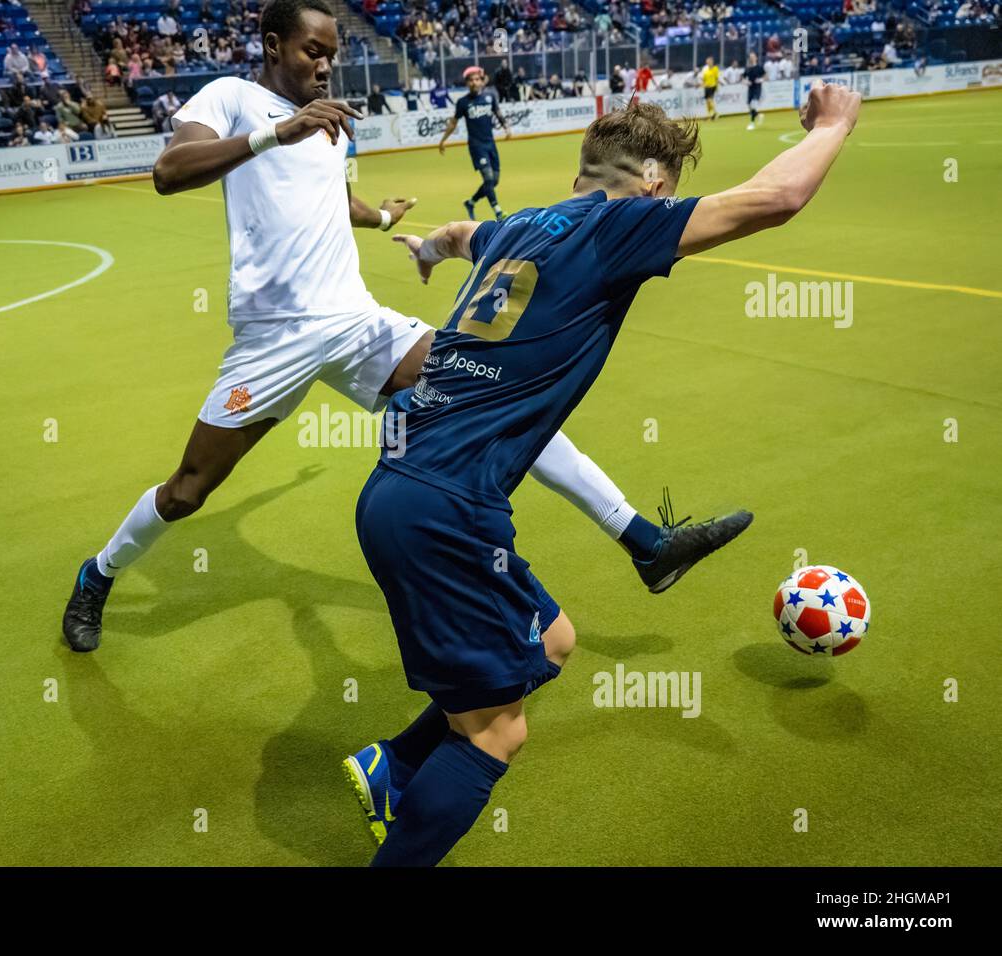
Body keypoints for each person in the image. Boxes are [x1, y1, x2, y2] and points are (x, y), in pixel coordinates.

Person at [60, 0, 750, 653]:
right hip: (273, 338)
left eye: (332, 53)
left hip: (355, 322)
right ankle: (99, 574)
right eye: (312, 50)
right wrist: (278, 131)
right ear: (273, 46)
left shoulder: (325, 124)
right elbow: (168, 171)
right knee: (187, 491)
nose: (326, 64)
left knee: (496, 389)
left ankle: (642, 541)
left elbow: (324, 198)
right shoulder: (233, 98)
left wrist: (383, 219)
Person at [344, 82, 861, 866]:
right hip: (445, 509)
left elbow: (459, 232)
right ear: (654, 185)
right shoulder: (620, 223)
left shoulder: (517, 228)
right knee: (495, 735)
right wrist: (834, 122)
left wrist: (427, 249)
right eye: (667, 194)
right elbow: (778, 195)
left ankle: (395, 765)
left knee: (550, 642)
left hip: (403, 485)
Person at [438, 66, 512, 221]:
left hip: (491, 144)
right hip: (476, 146)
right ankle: (498, 211)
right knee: (488, 178)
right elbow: (453, 123)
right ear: (467, 83)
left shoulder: (490, 97)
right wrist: (443, 140)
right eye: (471, 80)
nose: (474, 83)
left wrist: (507, 128)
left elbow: (498, 113)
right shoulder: (463, 102)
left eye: (477, 79)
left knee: (494, 180)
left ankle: (471, 202)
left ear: (481, 81)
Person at [744, 51, 765, 130]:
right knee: (749, 105)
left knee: (753, 104)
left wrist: (761, 80)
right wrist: (745, 82)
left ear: (756, 58)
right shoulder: (748, 68)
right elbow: (743, 77)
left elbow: (766, 76)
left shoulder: (759, 67)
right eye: (750, 57)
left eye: (753, 56)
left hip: (757, 88)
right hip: (750, 88)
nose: (751, 58)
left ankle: (752, 123)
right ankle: (759, 115)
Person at [700, 55, 720, 120]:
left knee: (710, 99)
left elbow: (716, 78)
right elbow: (703, 79)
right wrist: (702, 85)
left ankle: (715, 113)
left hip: (713, 86)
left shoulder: (715, 68)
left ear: (712, 61)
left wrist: (717, 86)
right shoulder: (705, 70)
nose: (708, 62)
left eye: (710, 61)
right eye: (707, 61)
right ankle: (710, 115)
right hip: (706, 87)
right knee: (707, 102)